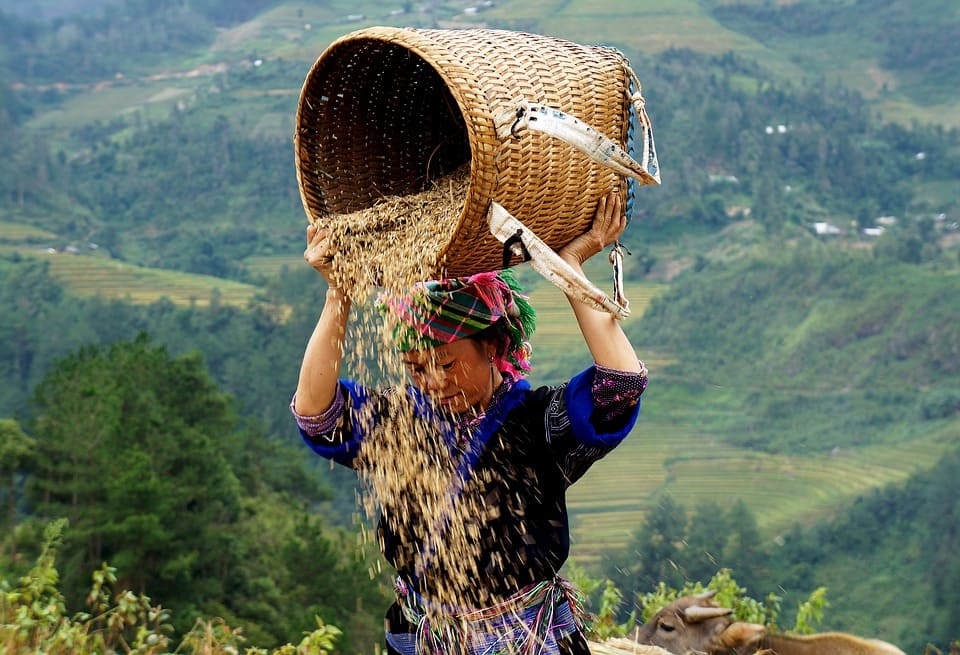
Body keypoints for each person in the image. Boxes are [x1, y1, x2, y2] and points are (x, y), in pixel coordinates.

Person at [291, 190, 648, 655]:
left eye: (447, 363)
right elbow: (318, 415)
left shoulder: (537, 422)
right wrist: (339, 291)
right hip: (423, 636)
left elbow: (621, 384)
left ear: (495, 350)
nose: (434, 381)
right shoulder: (400, 421)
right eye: (417, 368)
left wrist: (569, 267)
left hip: (527, 639)